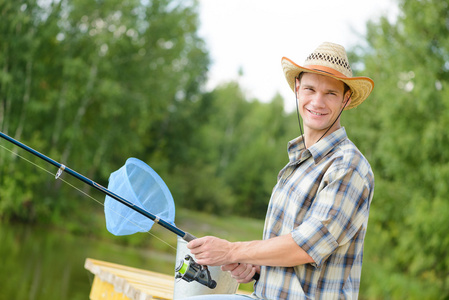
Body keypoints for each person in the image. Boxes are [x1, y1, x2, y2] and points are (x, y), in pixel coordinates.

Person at [185, 42, 375, 299]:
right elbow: (292, 259)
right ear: (298, 89)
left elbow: (306, 247)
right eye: (310, 89)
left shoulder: (348, 166)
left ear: (346, 99)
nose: (317, 102)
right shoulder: (299, 161)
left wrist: (232, 251)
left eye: (330, 93)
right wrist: (256, 270)